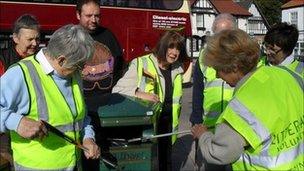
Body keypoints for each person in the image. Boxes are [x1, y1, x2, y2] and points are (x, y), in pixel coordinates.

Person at [191, 29, 303, 170]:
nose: (218, 76)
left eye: (218, 69)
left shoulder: (244, 103)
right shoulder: (287, 76)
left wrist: (203, 135)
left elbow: (218, 153)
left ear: (235, 67)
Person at [0, 24, 100, 170]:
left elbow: (80, 117)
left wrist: (88, 137)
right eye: (79, 66)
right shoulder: (21, 74)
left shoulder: (73, 74)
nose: (81, 71)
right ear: (61, 60)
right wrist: (17, 122)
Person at [113, 31, 188, 171]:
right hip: (148, 126)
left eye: (178, 49)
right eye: (171, 47)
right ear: (162, 46)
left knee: (166, 164)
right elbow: (117, 90)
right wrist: (139, 93)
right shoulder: (142, 63)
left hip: (168, 127)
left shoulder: (178, 68)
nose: (174, 52)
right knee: (151, 164)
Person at [76, 0, 125, 169]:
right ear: (78, 15)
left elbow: (119, 64)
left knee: (103, 154)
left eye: (97, 15)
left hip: (105, 106)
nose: (94, 19)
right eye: (88, 15)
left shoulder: (108, 35)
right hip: (81, 106)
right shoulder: (72, 38)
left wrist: (111, 86)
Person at [0, 14, 40, 169]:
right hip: (6, 132)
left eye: (37, 38)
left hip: (34, 128)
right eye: (30, 39)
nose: (35, 43)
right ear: (16, 38)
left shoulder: (40, 61)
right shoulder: (3, 60)